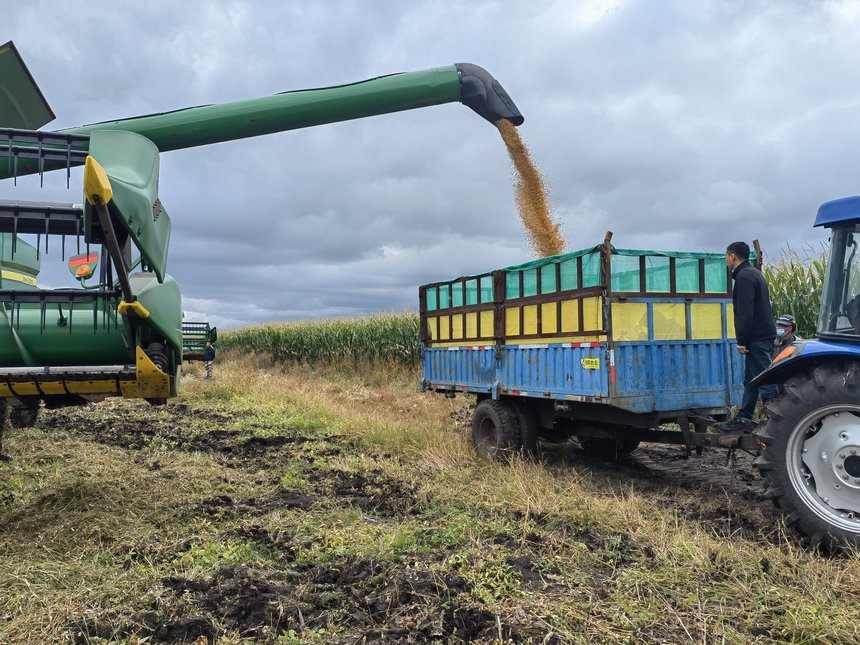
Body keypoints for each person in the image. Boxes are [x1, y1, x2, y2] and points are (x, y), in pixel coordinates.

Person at [717, 241, 779, 432]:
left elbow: (745, 312)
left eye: (726, 256)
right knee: (752, 380)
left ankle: (779, 421)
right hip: (763, 335)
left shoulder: (744, 277)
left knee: (765, 380)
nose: (726, 260)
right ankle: (743, 418)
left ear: (732, 256)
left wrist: (742, 340)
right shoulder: (754, 274)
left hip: (757, 337)